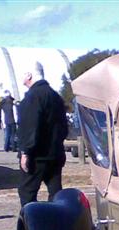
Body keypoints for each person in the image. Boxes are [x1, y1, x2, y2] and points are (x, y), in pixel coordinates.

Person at [17, 62, 68, 207]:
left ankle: (30, 226)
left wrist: (25, 152)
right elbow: (64, 126)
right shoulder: (55, 95)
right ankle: (58, 222)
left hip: (37, 156)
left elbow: (29, 126)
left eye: (23, 74)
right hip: (55, 153)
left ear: (29, 75)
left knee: (27, 193)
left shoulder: (33, 96)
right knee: (56, 192)